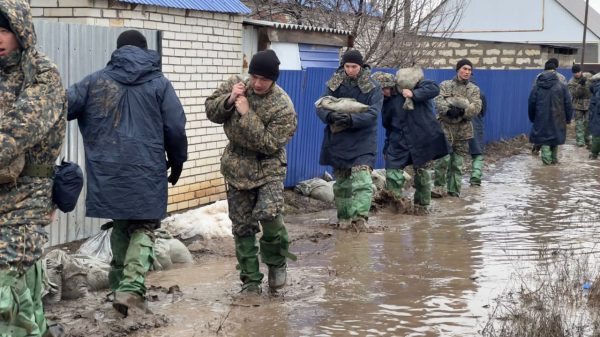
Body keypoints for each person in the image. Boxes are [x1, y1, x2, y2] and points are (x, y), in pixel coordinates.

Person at [67, 30, 188, 315]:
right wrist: (178, 160)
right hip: (147, 170)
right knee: (144, 226)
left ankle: (118, 289)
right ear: (145, 51)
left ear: (118, 51)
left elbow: (60, 107)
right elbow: (175, 127)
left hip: (108, 173)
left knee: (121, 225)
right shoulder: (159, 84)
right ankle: (132, 289)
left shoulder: (94, 82)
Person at [205, 50, 297, 294]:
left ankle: (277, 264)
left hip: (268, 168)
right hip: (236, 168)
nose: (257, 83)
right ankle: (250, 281)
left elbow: (269, 143)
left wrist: (247, 113)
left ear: (273, 79)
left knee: (270, 216)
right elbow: (210, 111)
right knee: (242, 226)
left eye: (263, 80)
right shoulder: (236, 86)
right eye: (254, 77)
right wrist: (228, 100)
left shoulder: (283, 106)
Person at [0, 1, 67, 336]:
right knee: (21, 285)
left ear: (20, 31)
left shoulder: (42, 74)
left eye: (4, 29)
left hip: (28, 197)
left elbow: (18, 130)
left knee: (6, 284)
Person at [316, 50, 383, 229]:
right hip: (339, 139)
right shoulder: (334, 84)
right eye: (347, 66)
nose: (350, 70)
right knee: (342, 183)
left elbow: (373, 113)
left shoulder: (373, 86)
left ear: (360, 66)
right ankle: (344, 220)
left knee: (362, 179)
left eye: (354, 66)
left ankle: (360, 219)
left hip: (363, 139)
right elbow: (321, 106)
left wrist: (352, 119)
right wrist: (330, 117)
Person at [372, 70, 448, 213]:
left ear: (391, 86)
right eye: (379, 91)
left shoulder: (411, 87)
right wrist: (386, 148)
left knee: (422, 174)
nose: (383, 93)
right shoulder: (385, 104)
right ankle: (397, 208)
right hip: (398, 141)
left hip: (421, 137)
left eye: (384, 89)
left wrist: (414, 94)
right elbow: (388, 127)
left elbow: (434, 88)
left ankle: (422, 208)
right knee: (392, 173)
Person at [432, 59, 482, 198]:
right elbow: (438, 101)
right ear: (458, 70)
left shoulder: (473, 89)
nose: (467, 72)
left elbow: (476, 107)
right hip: (445, 127)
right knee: (442, 159)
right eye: (464, 69)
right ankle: (438, 188)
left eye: (469, 70)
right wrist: (448, 111)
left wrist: (462, 112)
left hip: (463, 129)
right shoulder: (446, 85)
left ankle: (454, 191)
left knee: (457, 163)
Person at [528, 59, 573, 165]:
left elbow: (531, 102)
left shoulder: (538, 83)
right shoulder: (561, 83)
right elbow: (568, 102)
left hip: (541, 115)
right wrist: (568, 118)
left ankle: (546, 164)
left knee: (544, 138)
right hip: (558, 115)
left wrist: (532, 117)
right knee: (555, 137)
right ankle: (553, 161)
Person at [468, 80, 487, 186]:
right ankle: (475, 176)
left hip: (457, 126)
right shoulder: (480, 93)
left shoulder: (453, 91)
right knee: (477, 153)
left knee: (455, 154)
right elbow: (483, 111)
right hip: (475, 125)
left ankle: (450, 182)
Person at [567, 64, 592, 147]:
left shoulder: (588, 76)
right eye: (575, 72)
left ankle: (587, 139)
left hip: (589, 104)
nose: (577, 74)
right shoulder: (571, 82)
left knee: (588, 122)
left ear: (581, 71)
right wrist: (580, 86)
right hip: (578, 105)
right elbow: (574, 94)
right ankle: (580, 141)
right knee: (579, 123)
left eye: (578, 72)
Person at [587, 73, 600, 159]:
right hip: (596, 114)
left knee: (596, 134)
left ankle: (594, 154)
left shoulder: (596, 90)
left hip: (596, 115)